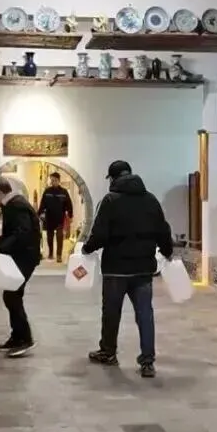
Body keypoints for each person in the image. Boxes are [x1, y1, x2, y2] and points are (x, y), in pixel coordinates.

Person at [82, 160, 173, 378]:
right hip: (143, 269)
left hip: (116, 268)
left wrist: (87, 248)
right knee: (145, 314)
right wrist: (167, 251)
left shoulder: (110, 200)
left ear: (113, 178)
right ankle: (148, 361)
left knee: (111, 313)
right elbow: (163, 230)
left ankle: (108, 352)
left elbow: (100, 233)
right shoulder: (150, 200)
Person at [0, 176, 42, 357]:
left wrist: (0, 246)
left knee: (12, 295)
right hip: (20, 256)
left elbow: (22, 233)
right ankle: (17, 337)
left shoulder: (17, 205)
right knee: (12, 295)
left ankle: (25, 338)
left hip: (26, 257)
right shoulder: (12, 204)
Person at [38, 171, 74, 263]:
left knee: (59, 237)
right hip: (49, 218)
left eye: (54, 180)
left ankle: (59, 255)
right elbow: (42, 204)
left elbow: (69, 204)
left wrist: (70, 215)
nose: (52, 182)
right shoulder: (47, 191)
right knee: (49, 237)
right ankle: (50, 253)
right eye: (51, 180)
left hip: (59, 219)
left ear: (58, 180)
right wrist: (38, 214)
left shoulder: (64, 192)